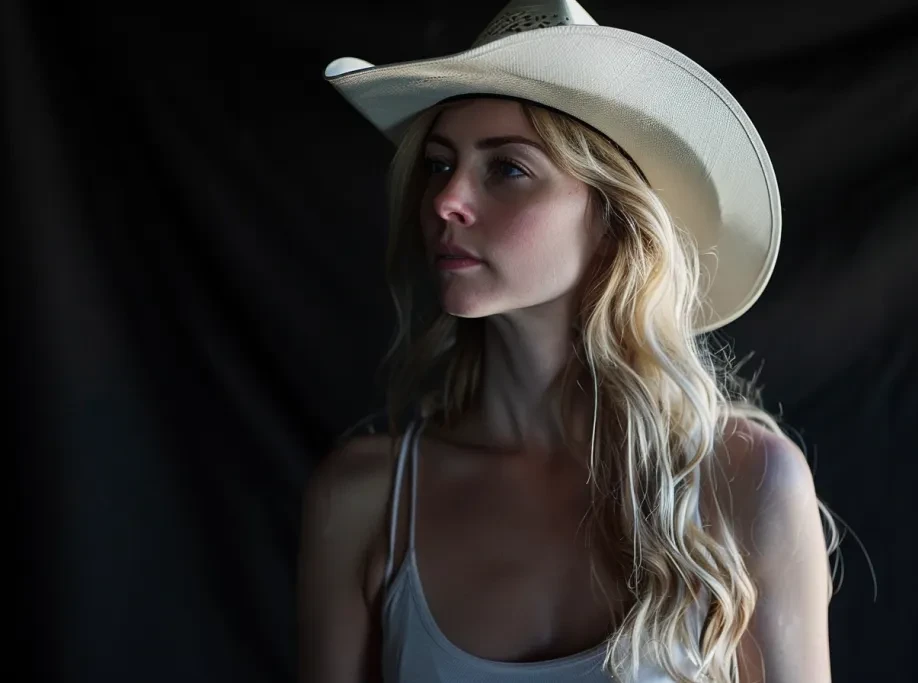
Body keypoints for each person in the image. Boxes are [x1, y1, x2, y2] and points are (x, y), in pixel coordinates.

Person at [298, 1, 839, 681]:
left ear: (611, 218)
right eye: (438, 165)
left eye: (507, 170)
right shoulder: (364, 500)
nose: (444, 202)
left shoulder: (744, 482)